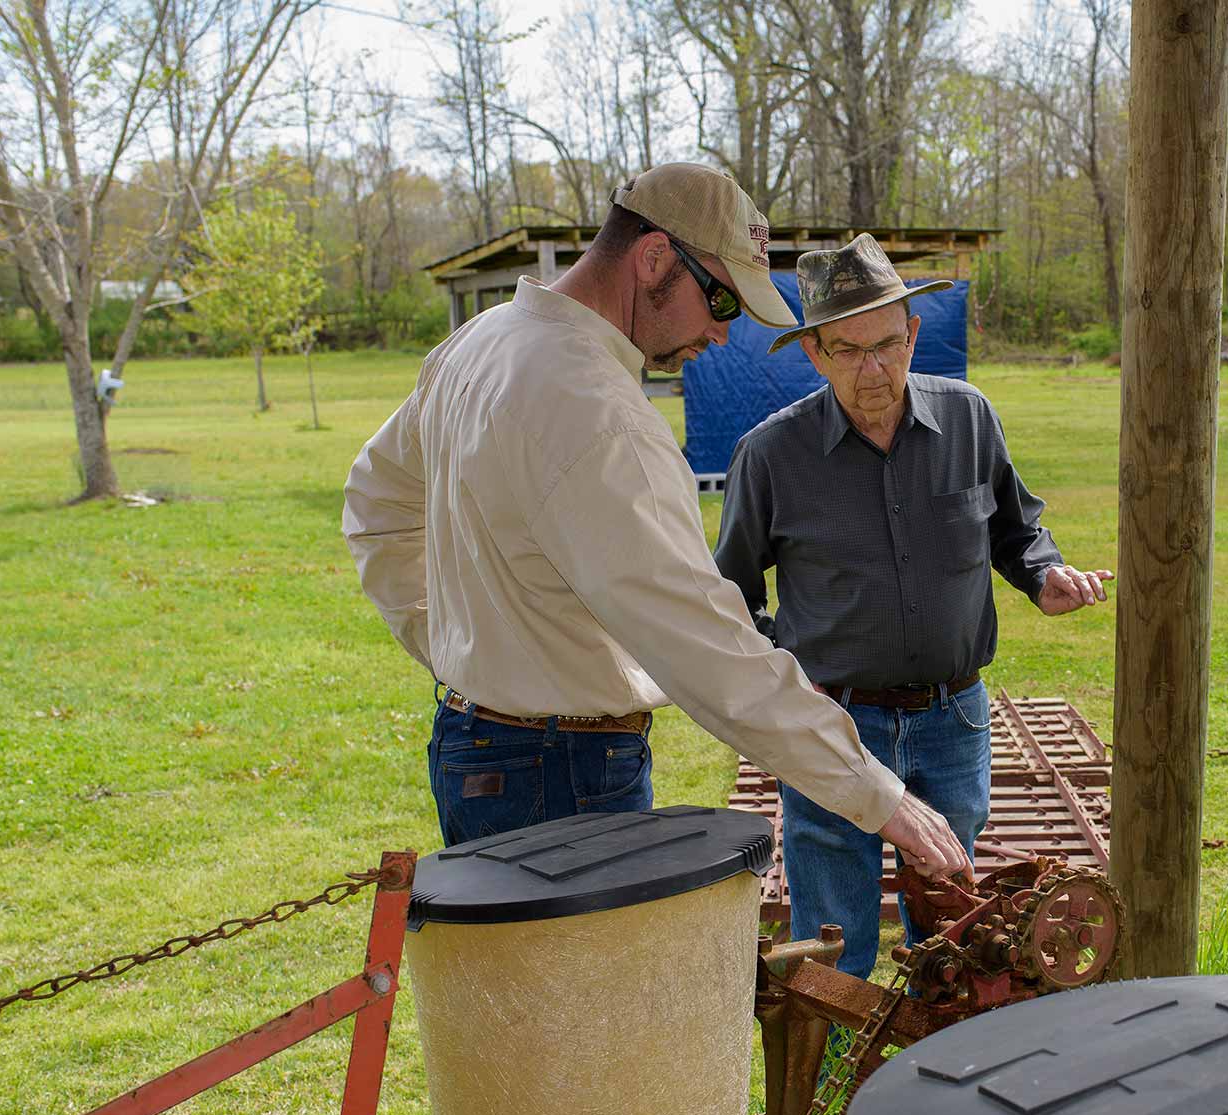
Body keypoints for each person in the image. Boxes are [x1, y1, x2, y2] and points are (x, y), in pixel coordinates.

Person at [341, 166, 969, 881]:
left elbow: (373, 505)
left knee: (517, 986)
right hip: (564, 772)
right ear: (654, 259)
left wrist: (452, 649)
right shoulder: (598, 415)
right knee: (585, 993)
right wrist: (878, 793)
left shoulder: (480, 344)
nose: (722, 335)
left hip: (474, 746)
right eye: (721, 300)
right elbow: (705, 646)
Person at [713, 233, 1112, 977]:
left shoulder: (968, 419)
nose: (873, 368)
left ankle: (940, 1077)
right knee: (836, 938)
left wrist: (1043, 572)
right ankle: (836, 1082)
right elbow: (729, 597)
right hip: (834, 725)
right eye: (848, 350)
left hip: (952, 720)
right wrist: (787, 672)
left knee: (958, 931)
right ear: (815, 353)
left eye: (887, 345)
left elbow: (1016, 529)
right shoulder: (770, 455)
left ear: (914, 333)